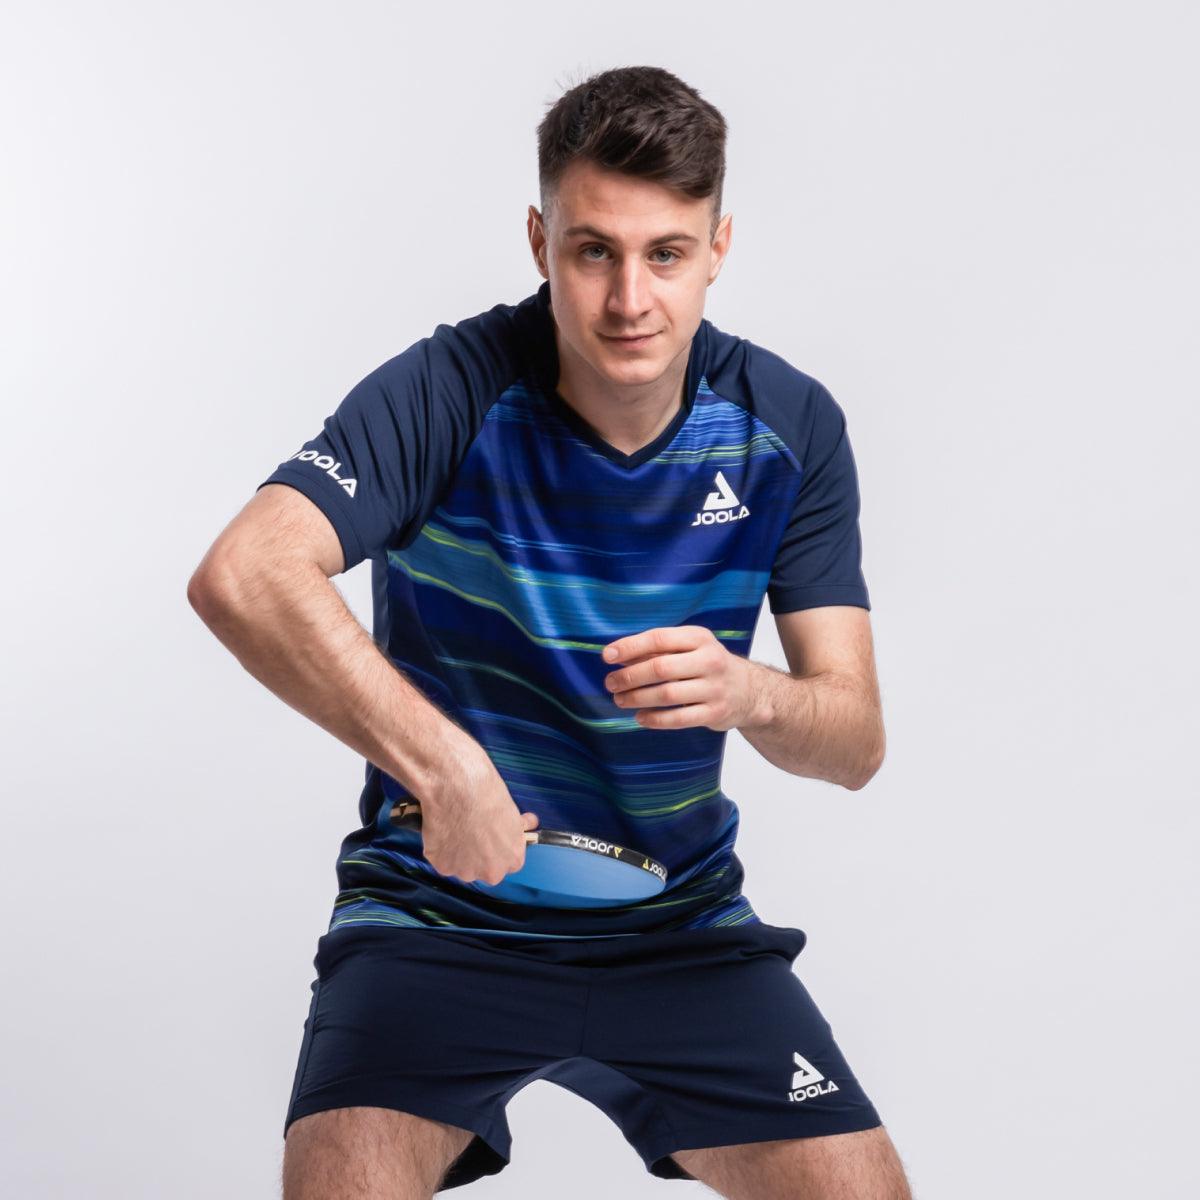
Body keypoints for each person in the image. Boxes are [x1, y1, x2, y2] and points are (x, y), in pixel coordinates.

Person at [188, 65, 911, 1200]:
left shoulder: (790, 427)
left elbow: (855, 741)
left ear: (719, 248)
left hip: (680, 924)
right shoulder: (448, 388)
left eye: (665, 254)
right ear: (539, 242)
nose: (630, 299)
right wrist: (447, 769)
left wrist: (752, 693)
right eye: (593, 251)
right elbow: (245, 572)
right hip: (435, 914)